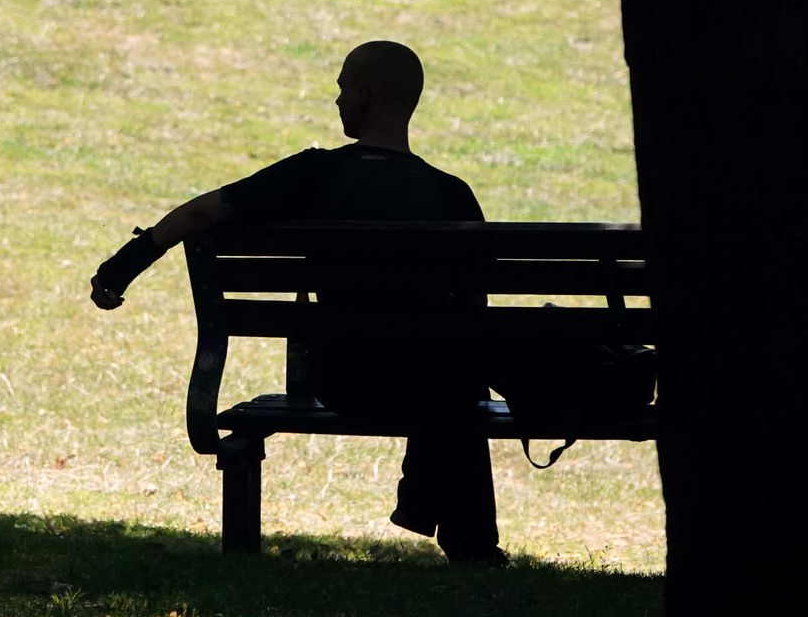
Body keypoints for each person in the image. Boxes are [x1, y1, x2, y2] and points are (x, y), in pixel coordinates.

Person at [87, 40, 506, 565]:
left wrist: (124, 265)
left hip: (346, 379)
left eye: (340, 89)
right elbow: (475, 307)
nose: (335, 102)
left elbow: (201, 215)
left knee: (445, 380)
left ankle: (440, 520)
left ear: (362, 94)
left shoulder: (313, 174)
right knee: (454, 381)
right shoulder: (452, 195)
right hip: (432, 386)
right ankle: (469, 542)